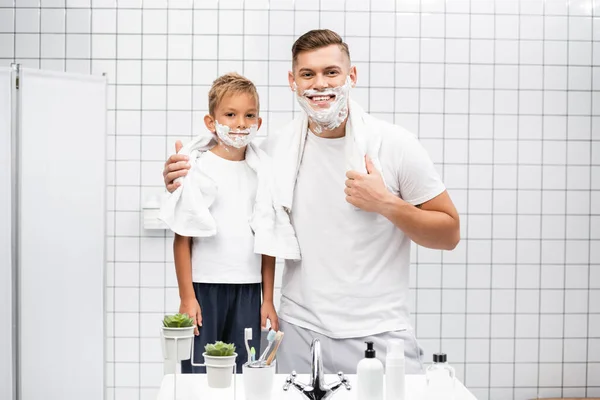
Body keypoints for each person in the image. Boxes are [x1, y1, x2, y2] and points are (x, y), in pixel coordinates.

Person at [162, 30, 460, 375]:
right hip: (297, 334)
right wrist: (181, 174)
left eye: (331, 72)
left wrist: (386, 204)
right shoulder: (273, 152)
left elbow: (449, 234)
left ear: (352, 76)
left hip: (378, 334)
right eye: (308, 74)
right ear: (293, 81)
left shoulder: (394, 146)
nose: (320, 84)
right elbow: (219, 163)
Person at [160, 72, 299, 374]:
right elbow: (182, 237)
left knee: (245, 371)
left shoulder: (262, 171)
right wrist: (187, 297)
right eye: (231, 114)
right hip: (204, 287)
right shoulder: (197, 167)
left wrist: (268, 301)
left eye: (249, 115)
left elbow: (268, 238)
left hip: (248, 290)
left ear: (259, 123)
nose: (240, 123)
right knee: (199, 370)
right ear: (211, 122)